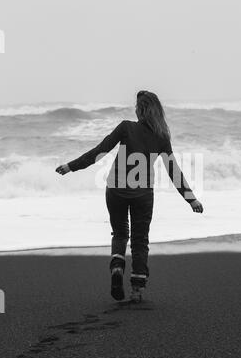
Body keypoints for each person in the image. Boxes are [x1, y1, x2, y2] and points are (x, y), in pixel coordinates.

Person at [56, 91, 203, 303]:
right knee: (140, 241)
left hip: (115, 190)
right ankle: (137, 290)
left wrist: (71, 166)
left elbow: (100, 151)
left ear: (140, 110)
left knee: (120, 233)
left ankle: (117, 267)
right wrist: (191, 199)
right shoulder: (162, 137)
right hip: (142, 194)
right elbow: (173, 171)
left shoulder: (126, 127)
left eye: (136, 106)